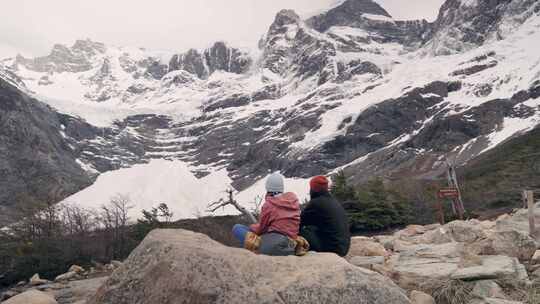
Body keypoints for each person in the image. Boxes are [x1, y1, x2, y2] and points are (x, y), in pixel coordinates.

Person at [232, 172, 301, 256]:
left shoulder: (269, 204)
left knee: (237, 228)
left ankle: (251, 252)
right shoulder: (293, 201)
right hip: (291, 244)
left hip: (274, 244)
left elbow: (261, 229)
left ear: (268, 188)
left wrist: (252, 227)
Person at [300, 175, 351, 257]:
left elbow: (299, 222)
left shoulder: (316, 203)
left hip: (332, 249)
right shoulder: (333, 201)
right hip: (343, 247)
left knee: (301, 232)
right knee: (310, 229)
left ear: (313, 189)